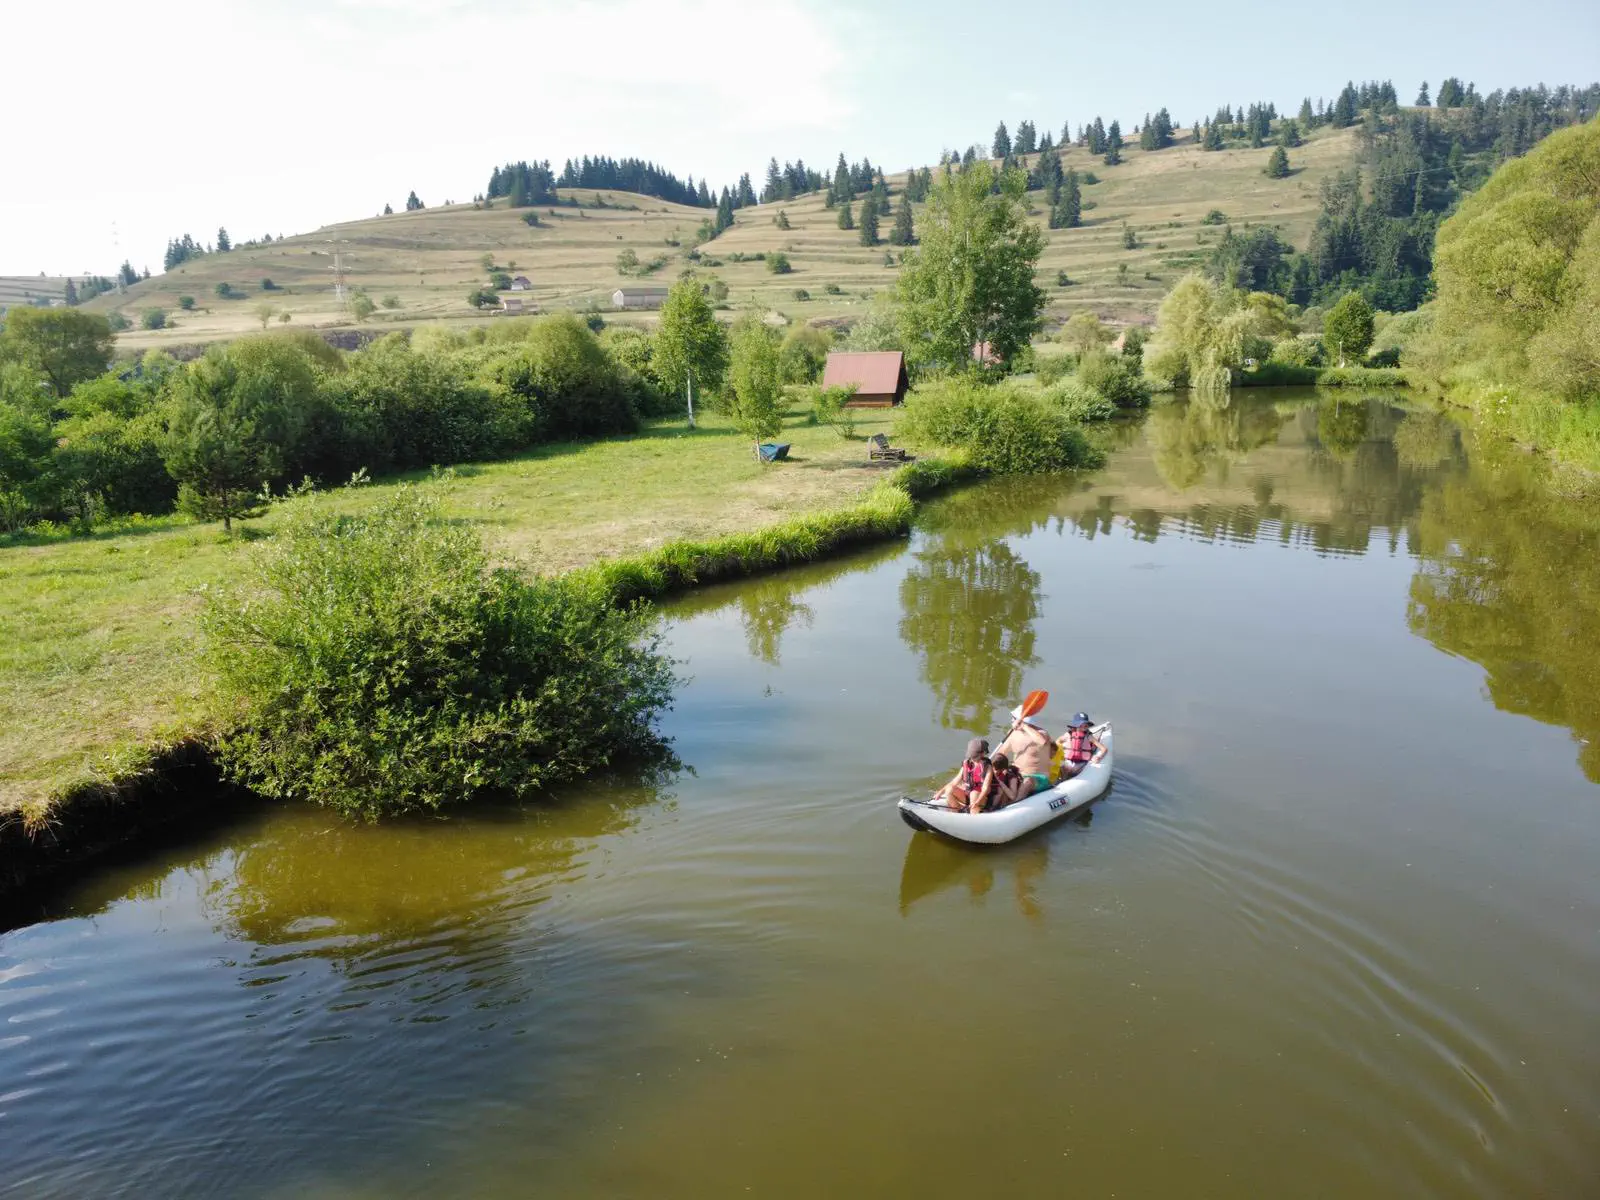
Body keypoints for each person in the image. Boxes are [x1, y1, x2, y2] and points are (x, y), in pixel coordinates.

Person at [996, 704, 1054, 799]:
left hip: (1038, 778)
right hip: (1017, 774)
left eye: (1014, 718)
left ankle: (1016, 803)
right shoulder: (1013, 733)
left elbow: (1042, 742)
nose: (1012, 720)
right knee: (1002, 777)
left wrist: (1024, 726)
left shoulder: (1042, 733)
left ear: (1022, 721)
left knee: (1028, 781)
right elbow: (1001, 753)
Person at [934, 738, 990, 810]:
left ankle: (974, 813)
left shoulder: (987, 767)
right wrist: (940, 792)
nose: (972, 758)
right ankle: (956, 810)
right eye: (972, 756)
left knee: (974, 794)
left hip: (980, 798)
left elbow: (985, 788)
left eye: (975, 756)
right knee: (949, 789)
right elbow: (954, 782)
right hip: (967, 796)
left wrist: (977, 801)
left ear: (983, 753)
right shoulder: (966, 764)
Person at [1056, 713, 1106, 780]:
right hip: (1067, 762)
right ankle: (1062, 779)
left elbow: (1103, 748)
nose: (1083, 728)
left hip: (1081, 764)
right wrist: (1059, 751)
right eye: (1080, 725)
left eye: (1085, 726)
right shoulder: (1068, 734)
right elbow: (1058, 741)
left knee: (1071, 773)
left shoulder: (1089, 736)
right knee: (1060, 765)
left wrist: (1099, 757)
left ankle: (1069, 779)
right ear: (1075, 725)